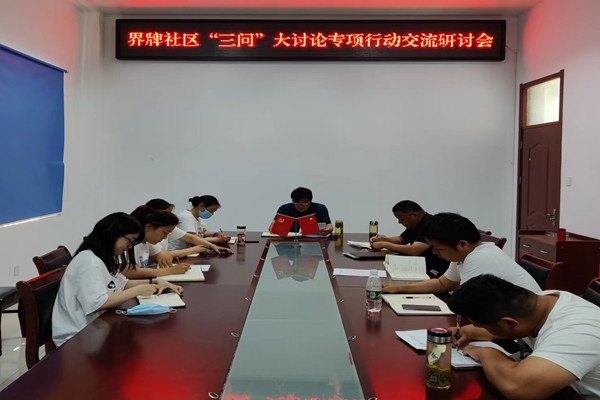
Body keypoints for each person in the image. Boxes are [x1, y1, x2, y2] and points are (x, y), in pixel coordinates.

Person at [447, 274, 600, 399]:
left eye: (481, 326)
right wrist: (468, 332)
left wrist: (485, 353)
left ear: (510, 323)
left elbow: (518, 388)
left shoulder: (578, 332)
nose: (479, 329)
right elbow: (510, 329)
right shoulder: (539, 302)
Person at [52, 212, 184, 346]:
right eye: (130, 240)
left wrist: (153, 282)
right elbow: (96, 303)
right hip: (78, 339)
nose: (130, 246)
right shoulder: (89, 263)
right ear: (112, 234)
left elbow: (122, 283)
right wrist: (137, 290)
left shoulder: (104, 257)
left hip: (96, 329)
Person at [382, 212, 541, 294]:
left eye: (438, 248)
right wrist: (398, 288)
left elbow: (469, 305)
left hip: (519, 335)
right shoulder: (464, 255)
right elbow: (442, 284)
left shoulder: (479, 259)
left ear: (462, 244)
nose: (435, 253)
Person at [371, 200, 448, 276]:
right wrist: (384, 239)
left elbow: (414, 250)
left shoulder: (430, 224)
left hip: (435, 269)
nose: (399, 222)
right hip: (419, 265)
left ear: (414, 215)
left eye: (401, 219)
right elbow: (401, 239)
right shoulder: (415, 223)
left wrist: (384, 244)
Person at [124, 205, 192, 279]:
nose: (165, 237)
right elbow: (130, 272)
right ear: (149, 227)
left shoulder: (147, 241)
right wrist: (170, 270)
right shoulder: (130, 243)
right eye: (165, 232)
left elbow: (162, 254)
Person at [145, 198, 231, 256]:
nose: (165, 236)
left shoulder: (165, 227)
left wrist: (212, 245)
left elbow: (191, 237)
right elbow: (161, 255)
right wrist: (193, 250)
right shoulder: (186, 217)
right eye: (166, 214)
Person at [269, 187, 333, 235]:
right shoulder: (284, 209)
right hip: (288, 241)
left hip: (314, 241)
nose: (300, 206)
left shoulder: (320, 208)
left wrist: (326, 231)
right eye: (296, 202)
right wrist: (274, 229)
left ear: (310, 201)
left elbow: (329, 227)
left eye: (304, 202)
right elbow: (272, 228)